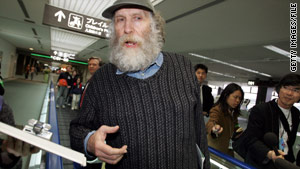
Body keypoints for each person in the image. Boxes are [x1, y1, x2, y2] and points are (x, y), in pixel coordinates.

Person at [69, 0, 210, 168]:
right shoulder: (101, 79)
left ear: (154, 27)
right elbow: (77, 129)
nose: (127, 28)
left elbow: (199, 134)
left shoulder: (183, 67)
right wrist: (90, 141)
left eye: (137, 18)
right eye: (120, 20)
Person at [242, 73, 300, 169]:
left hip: (283, 161)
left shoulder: (296, 113)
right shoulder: (261, 110)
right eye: (286, 88)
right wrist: (270, 154)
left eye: (296, 90)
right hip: (261, 162)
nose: (289, 93)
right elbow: (250, 139)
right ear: (279, 89)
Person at [206, 83, 244, 157]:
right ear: (226, 95)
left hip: (228, 150)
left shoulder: (233, 111)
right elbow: (212, 121)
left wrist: (238, 130)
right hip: (215, 151)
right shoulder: (217, 109)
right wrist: (214, 127)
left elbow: (235, 125)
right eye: (235, 97)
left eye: (240, 98)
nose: (237, 101)